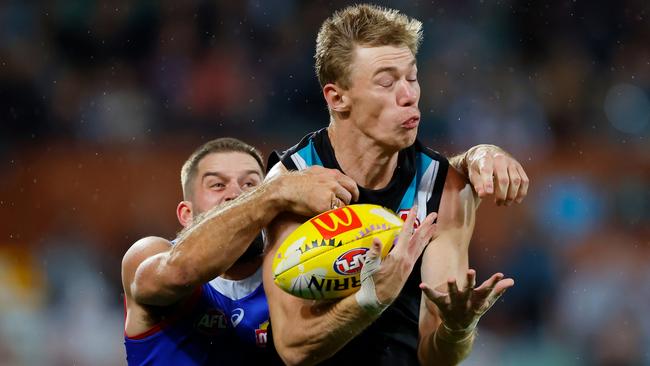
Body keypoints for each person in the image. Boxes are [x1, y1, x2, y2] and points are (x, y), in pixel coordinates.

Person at [263, 4, 529, 365]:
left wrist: (456, 329)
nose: (409, 95)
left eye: (412, 77)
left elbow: (436, 356)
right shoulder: (291, 179)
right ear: (336, 97)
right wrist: (370, 299)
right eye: (386, 82)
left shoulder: (444, 188)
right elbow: (294, 348)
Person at [121, 137, 361, 365]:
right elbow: (178, 273)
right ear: (186, 214)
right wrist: (273, 191)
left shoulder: (302, 273)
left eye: (250, 184)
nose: (236, 194)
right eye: (217, 185)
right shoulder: (147, 254)